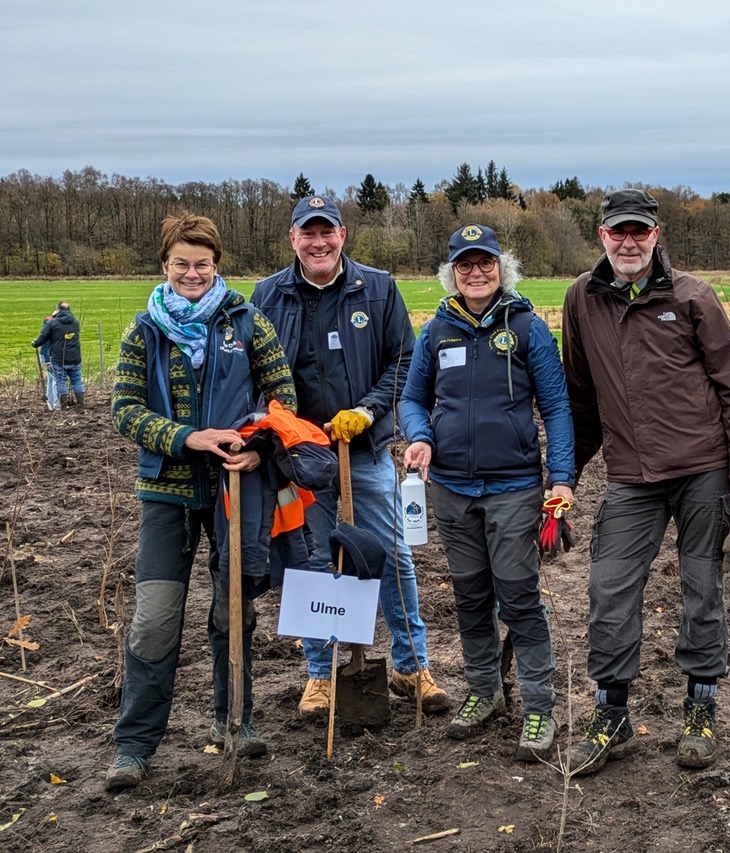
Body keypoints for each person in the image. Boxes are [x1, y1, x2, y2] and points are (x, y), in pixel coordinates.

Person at [560, 188, 730, 775]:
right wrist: (564, 477)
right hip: (630, 473)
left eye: (639, 232)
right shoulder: (582, 299)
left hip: (703, 469)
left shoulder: (693, 296)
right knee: (609, 586)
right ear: (602, 235)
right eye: (617, 232)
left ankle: (701, 707)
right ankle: (611, 712)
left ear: (655, 234)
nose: (628, 242)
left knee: (702, 587)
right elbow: (580, 399)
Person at [106, 213, 297, 791]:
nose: (193, 273)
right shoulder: (144, 330)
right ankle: (134, 746)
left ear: (217, 265)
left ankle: (237, 723)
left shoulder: (245, 320)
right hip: (166, 492)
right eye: (182, 264)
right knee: (156, 619)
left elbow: (282, 395)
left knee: (232, 610)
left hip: (233, 489)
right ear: (165, 265)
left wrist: (260, 448)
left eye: (203, 264)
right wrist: (186, 437)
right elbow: (124, 410)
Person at [253, 195, 448, 717]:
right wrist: (286, 432)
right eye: (307, 233)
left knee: (393, 558)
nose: (319, 243)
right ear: (292, 239)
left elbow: (404, 361)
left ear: (343, 234)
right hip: (300, 459)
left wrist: (367, 409)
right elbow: (259, 377)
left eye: (328, 232)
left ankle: (411, 667)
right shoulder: (268, 296)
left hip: (363, 452)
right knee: (314, 565)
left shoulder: (378, 288)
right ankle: (321, 674)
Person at [399, 224, 574, 762]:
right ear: (451, 272)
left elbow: (557, 407)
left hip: (515, 488)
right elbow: (410, 400)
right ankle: (483, 691)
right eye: (465, 264)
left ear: (502, 267)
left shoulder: (527, 327)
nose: (476, 272)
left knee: (519, 598)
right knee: (470, 597)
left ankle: (539, 704)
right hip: (451, 488)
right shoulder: (435, 332)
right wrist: (421, 438)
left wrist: (561, 477)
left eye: (486, 262)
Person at [31, 301, 84, 407]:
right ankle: (81, 404)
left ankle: (63, 406)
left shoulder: (52, 323)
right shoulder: (75, 322)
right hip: (75, 358)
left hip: (59, 359)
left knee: (61, 381)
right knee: (77, 380)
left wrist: (35, 343)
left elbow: (43, 338)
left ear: (58, 309)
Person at [36, 316, 60, 410]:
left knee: (51, 379)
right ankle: (56, 404)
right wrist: (48, 361)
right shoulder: (51, 331)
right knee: (55, 379)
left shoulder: (46, 329)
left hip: (45, 356)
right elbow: (46, 347)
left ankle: (50, 401)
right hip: (48, 357)